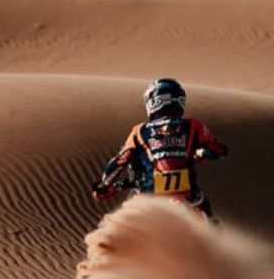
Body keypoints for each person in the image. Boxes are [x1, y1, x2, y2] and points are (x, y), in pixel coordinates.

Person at [92, 78, 228, 219]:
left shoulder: (140, 131)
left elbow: (121, 160)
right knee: (209, 219)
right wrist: (203, 153)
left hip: (149, 198)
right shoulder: (194, 126)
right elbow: (218, 150)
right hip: (188, 198)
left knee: (127, 213)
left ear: (153, 101)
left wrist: (104, 185)